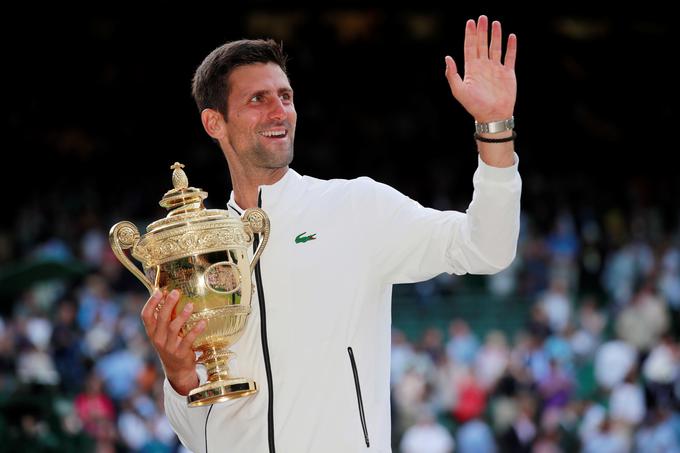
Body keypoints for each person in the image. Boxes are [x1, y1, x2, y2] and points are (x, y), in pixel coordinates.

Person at [141, 15, 521, 453]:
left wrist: (495, 129)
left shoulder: (356, 207)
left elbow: (487, 248)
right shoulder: (198, 255)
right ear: (215, 122)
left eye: (285, 96)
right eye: (258, 99)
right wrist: (180, 377)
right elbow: (201, 436)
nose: (278, 111)